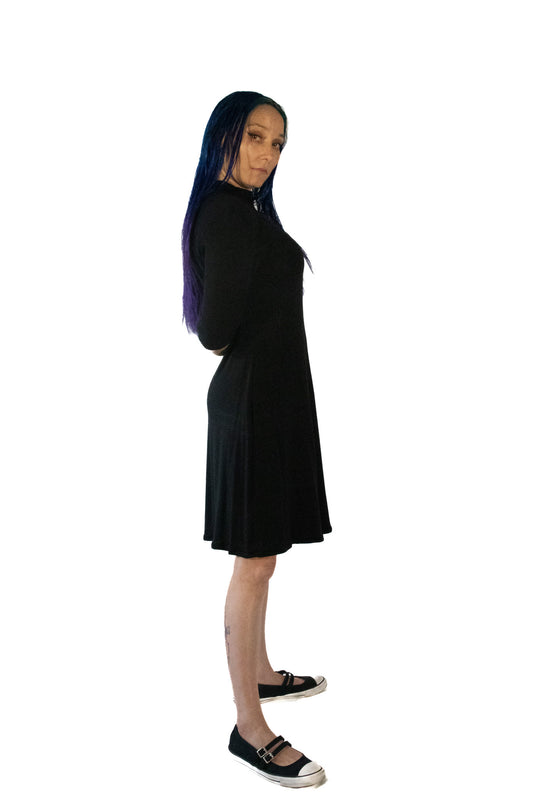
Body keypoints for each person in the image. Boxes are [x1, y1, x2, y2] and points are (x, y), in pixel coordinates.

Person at [182, 91, 332, 788]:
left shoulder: (244, 212)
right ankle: (250, 728)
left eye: (277, 144)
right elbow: (215, 331)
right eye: (255, 136)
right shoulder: (224, 213)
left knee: (264, 559)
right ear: (224, 136)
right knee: (251, 564)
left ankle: (263, 673)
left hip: (273, 402)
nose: (267, 154)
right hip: (251, 406)